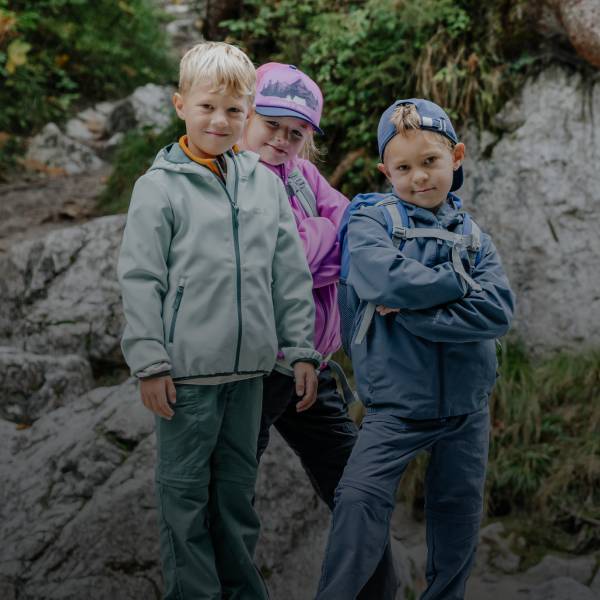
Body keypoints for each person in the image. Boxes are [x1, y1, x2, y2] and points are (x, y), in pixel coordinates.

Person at [117, 42, 320, 600]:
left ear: (248, 112)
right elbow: (140, 278)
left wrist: (301, 349)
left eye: (234, 110)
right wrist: (150, 362)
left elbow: (289, 273)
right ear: (181, 104)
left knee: (235, 499)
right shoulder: (158, 187)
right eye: (207, 106)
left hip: (250, 375)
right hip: (185, 379)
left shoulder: (263, 183)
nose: (220, 121)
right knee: (184, 499)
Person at [315, 98, 515, 600]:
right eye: (403, 168)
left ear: (457, 157)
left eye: (430, 161)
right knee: (358, 501)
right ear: (386, 171)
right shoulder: (368, 220)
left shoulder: (474, 237)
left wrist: (412, 314)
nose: (419, 177)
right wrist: (458, 282)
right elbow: (383, 280)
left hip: (467, 408)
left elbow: (497, 312)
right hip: (395, 408)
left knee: (458, 517)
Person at [241, 62, 398, 599]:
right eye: (271, 124)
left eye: (296, 133)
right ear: (246, 114)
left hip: (313, 367)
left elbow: (357, 227)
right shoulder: (232, 177)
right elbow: (280, 259)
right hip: (257, 368)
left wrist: (328, 237)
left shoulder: (303, 177)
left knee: (358, 489)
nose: (281, 140)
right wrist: (327, 239)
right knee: (231, 493)